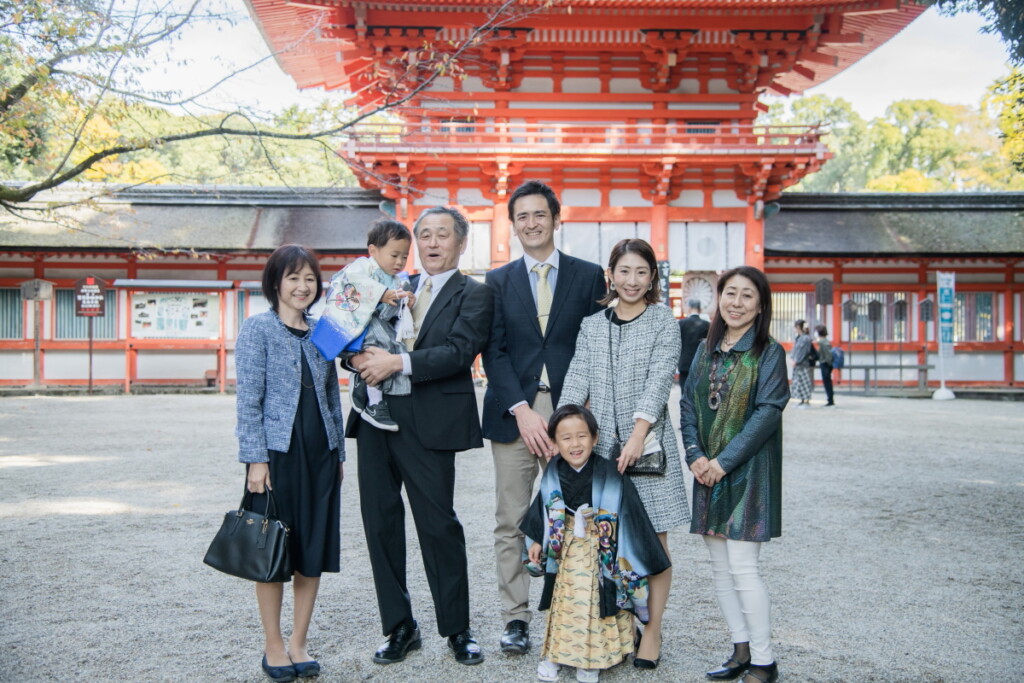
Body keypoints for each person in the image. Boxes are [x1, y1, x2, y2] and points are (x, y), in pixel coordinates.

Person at [346, 206, 495, 667]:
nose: (431, 243)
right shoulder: (392, 285)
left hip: (430, 421)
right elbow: (351, 332)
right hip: (375, 418)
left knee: (439, 525)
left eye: (442, 235)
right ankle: (399, 626)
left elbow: (458, 352)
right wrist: (357, 360)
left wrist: (397, 363)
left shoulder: (475, 293)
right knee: (380, 522)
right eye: (424, 235)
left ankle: (457, 628)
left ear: (461, 243)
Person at [482, 180, 606, 655]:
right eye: (522, 217)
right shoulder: (497, 281)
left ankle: (583, 607)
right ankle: (515, 617)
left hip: (575, 409)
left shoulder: (590, 275)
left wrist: (577, 409)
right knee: (511, 516)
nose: (531, 224)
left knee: (583, 513)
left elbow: (598, 344)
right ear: (513, 225)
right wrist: (522, 411)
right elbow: (492, 351)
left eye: (540, 215)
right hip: (515, 412)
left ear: (557, 219)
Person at [558, 238, 689, 670]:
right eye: (624, 271)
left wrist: (637, 435)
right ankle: (623, 625)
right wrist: (564, 430)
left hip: (648, 448)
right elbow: (577, 380)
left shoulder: (662, 321)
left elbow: (658, 382)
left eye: (641, 272)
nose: (632, 280)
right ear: (610, 274)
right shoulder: (592, 326)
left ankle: (653, 629)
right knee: (614, 542)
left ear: (652, 277)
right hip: (603, 451)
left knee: (654, 541)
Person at [235, 244, 346, 683]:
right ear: (276, 282)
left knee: (311, 547)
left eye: (310, 279)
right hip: (277, 453)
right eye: (293, 277)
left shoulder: (324, 331)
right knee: (273, 546)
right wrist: (254, 459)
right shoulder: (257, 329)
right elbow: (248, 400)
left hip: (320, 451)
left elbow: (333, 395)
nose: (303, 286)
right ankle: (273, 644)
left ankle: (299, 640)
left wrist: (338, 450)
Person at [679, 265, 789, 683]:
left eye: (747, 296)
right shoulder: (706, 348)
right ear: (718, 298)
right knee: (720, 569)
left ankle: (764, 660)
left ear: (760, 305)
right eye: (730, 294)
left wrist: (723, 463)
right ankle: (739, 648)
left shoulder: (769, 352)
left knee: (744, 568)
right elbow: (688, 403)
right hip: (705, 471)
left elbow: (767, 414)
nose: (736, 303)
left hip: (747, 475)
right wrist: (694, 455)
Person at [521, 404, 671, 683]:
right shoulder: (553, 471)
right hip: (564, 548)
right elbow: (540, 509)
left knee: (592, 600)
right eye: (565, 438)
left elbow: (630, 516)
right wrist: (536, 541)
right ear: (553, 443)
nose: (575, 444)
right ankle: (554, 655)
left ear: (595, 438)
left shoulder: (609, 473)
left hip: (601, 550)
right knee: (563, 602)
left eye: (582, 436)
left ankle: (591, 659)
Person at [315, 219, 415, 432]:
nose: (399, 262)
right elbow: (353, 282)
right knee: (376, 354)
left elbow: (395, 308)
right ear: (373, 250)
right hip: (361, 326)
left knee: (390, 355)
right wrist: (382, 293)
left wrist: (406, 301)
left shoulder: (396, 279)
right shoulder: (362, 267)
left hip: (379, 326)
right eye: (394, 255)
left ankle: (367, 391)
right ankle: (374, 401)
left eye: (404, 257)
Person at [678, 298, 711, 388]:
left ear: (689, 308)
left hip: (684, 363)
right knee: (697, 392)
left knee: (684, 390)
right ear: (700, 309)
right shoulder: (707, 324)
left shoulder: (681, 323)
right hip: (701, 364)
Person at [789, 319, 814, 408]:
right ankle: (801, 400)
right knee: (798, 383)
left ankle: (806, 401)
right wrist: (792, 358)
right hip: (797, 364)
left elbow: (803, 352)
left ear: (798, 327)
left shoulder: (805, 338)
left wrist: (796, 360)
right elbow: (795, 350)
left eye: (795, 327)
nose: (794, 329)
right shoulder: (798, 337)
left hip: (803, 364)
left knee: (804, 382)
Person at [815, 324, 835, 406]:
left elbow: (828, 354)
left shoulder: (822, 342)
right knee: (827, 382)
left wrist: (828, 363)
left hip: (825, 364)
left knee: (827, 382)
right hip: (826, 363)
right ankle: (830, 399)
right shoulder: (824, 341)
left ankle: (830, 400)